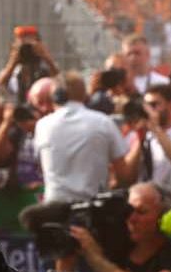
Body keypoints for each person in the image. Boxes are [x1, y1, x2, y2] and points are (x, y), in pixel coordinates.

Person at [30, 75, 127, 205]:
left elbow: (40, 165)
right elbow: (123, 173)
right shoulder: (103, 122)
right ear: (85, 95)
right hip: (93, 208)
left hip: (54, 208)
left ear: (56, 96)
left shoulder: (42, 125)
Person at [118, 82, 171, 187]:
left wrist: (156, 129)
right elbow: (126, 178)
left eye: (153, 105)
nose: (148, 110)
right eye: (145, 106)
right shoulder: (142, 136)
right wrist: (141, 139)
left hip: (169, 199)